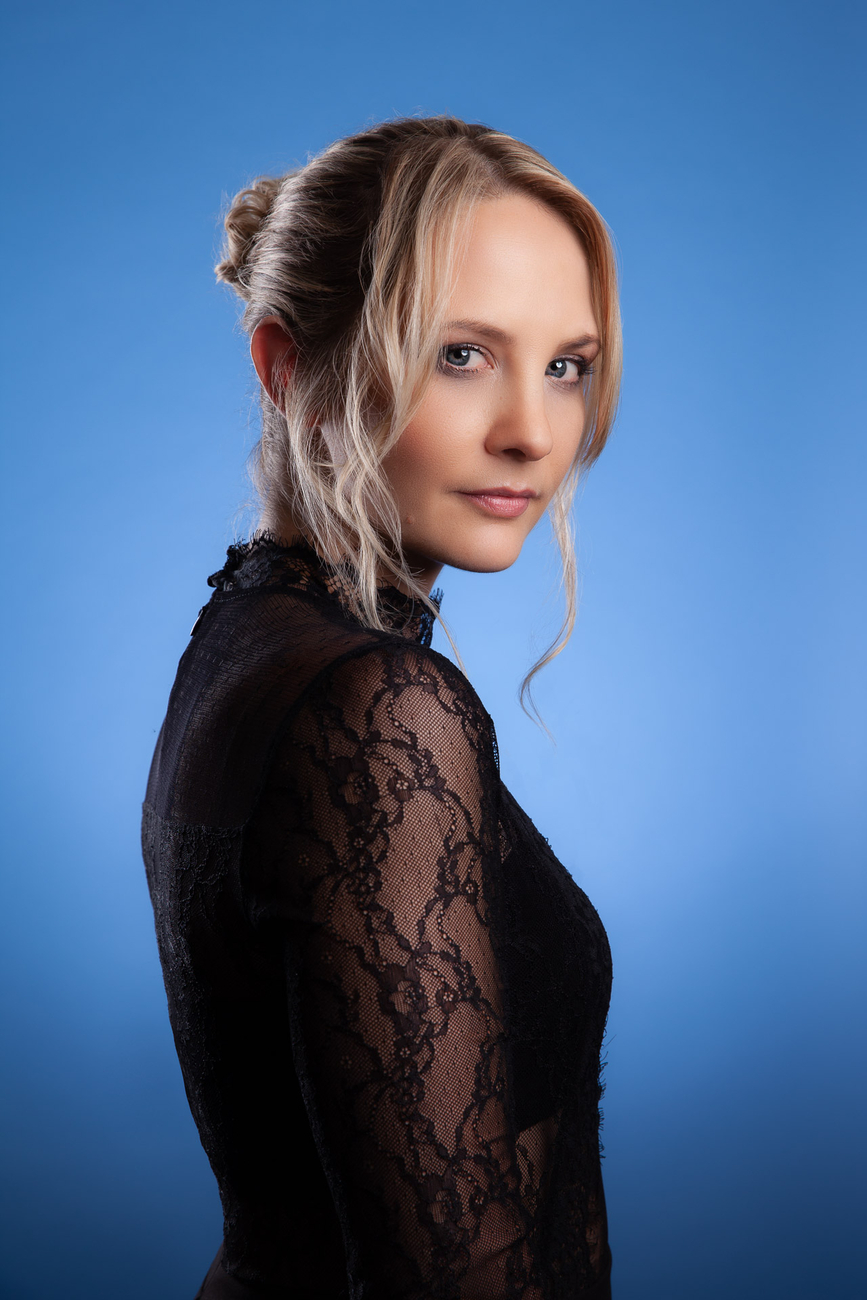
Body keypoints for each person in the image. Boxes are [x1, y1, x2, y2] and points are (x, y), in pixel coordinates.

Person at [142, 115, 622, 1300]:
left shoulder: (246, 638)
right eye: (462, 353)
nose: (533, 431)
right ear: (288, 368)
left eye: (565, 364)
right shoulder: (377, 705)